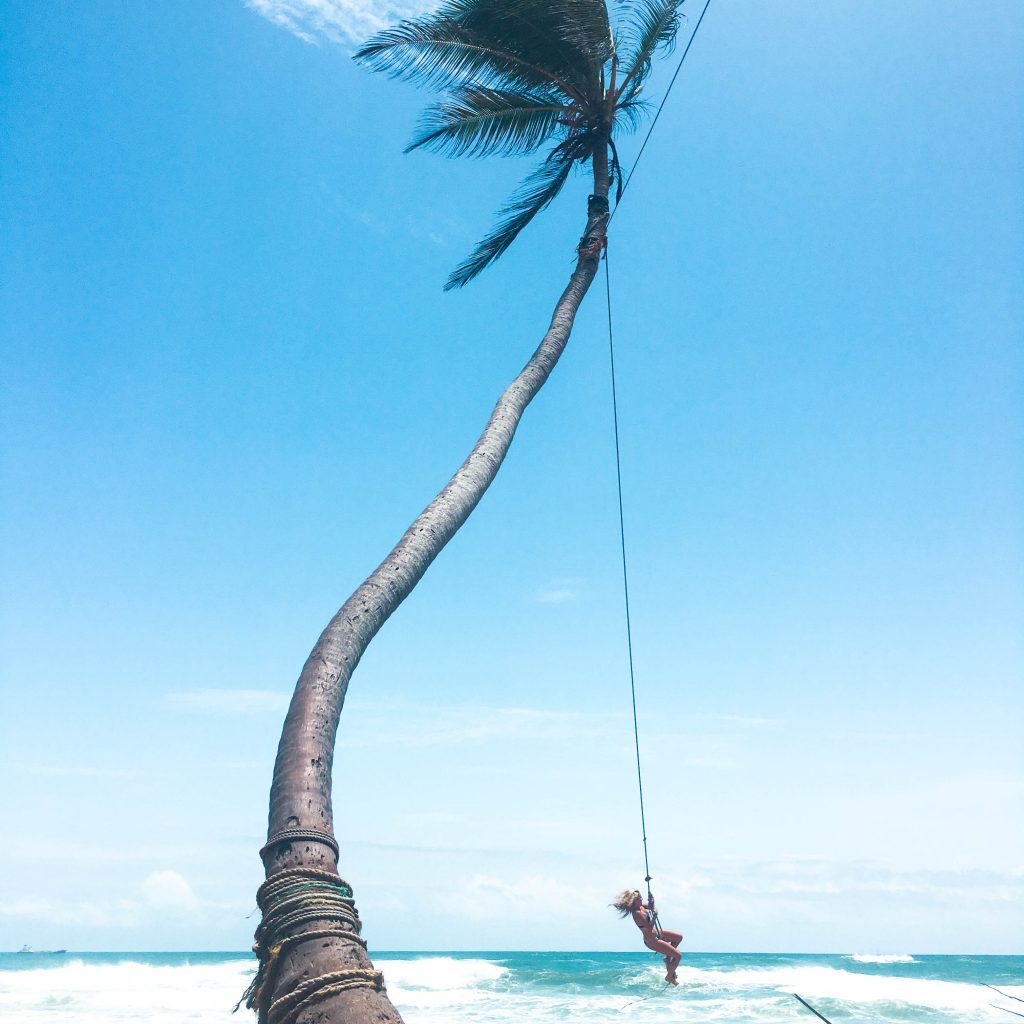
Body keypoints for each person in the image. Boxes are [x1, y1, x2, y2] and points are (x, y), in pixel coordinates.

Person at [612, 888, 683, 985]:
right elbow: (649, 928)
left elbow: (651, 907)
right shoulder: (636, 914)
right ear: (634, 901)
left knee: (678, 937)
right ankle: (669, 977)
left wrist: (652, 902)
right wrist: (654, 916)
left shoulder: (641, 906)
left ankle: (667, 958)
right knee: (678, 956)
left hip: (657, 933)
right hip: (652, 941)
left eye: (641, 897)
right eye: (639, 898)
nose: (641, 899)